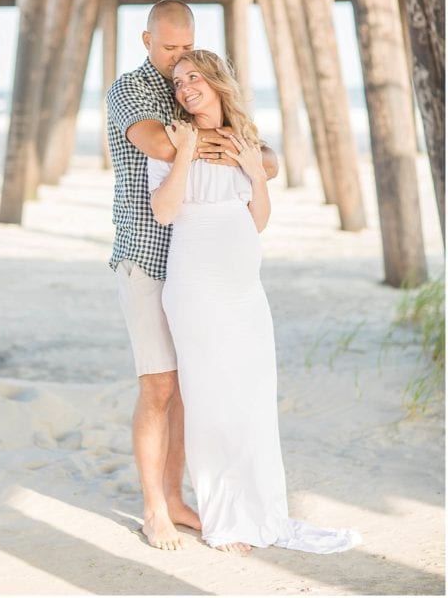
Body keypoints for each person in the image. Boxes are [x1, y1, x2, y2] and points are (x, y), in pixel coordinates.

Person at [148, 49, 360, 554]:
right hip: (196, 287)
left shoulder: (247, 142)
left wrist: (254, 171)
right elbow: (164, 211)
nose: (185, 88)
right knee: (211, 400)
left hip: (245, 290)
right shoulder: (174, 138)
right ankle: (224, 517)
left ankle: (262, 511)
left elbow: (257, 220)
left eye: (194, 77)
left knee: (253, 398)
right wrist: (182, 156)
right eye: (178, 82)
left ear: (219, 82)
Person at [106, 0, 279, 550]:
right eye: (168, 50)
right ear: (145, 40)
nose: (178, 61)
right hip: (147, 255)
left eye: (187, 50)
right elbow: (159, 145)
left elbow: (270, 160)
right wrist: (228, 143)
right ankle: (154, 507)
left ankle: (177, 497)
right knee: (158, 385)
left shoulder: (191, 86)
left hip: (199, 263)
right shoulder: (129, 90)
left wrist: (244, 149)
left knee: (188, 388)